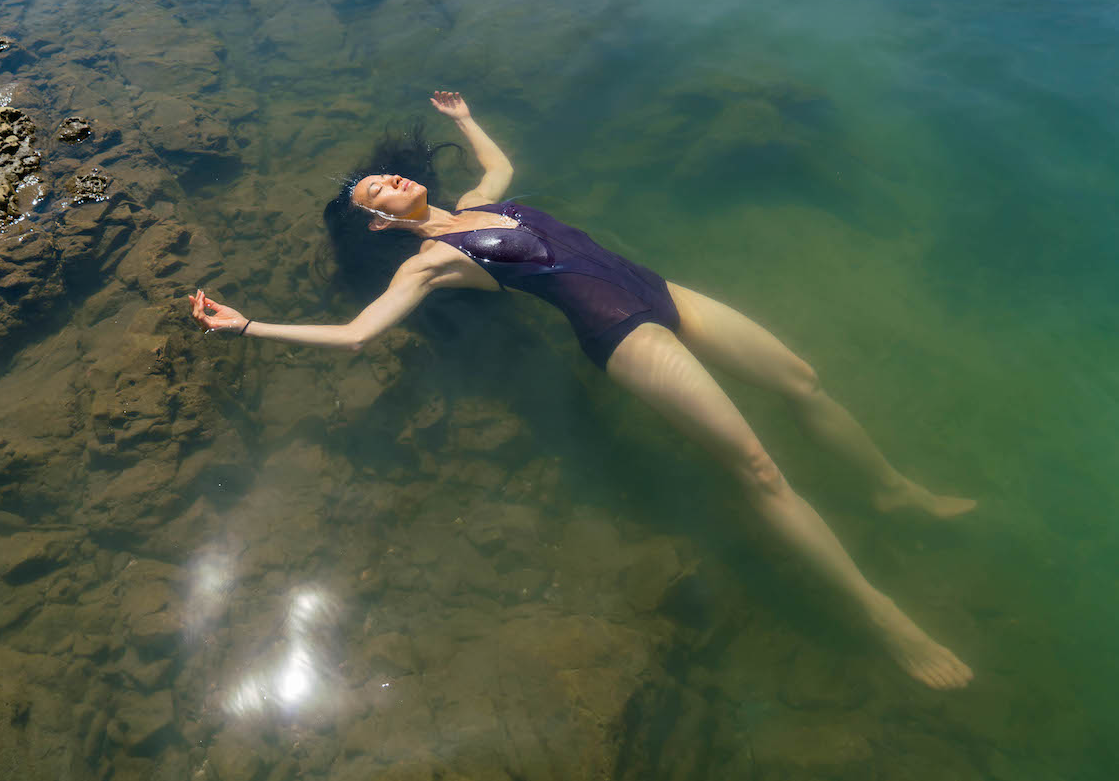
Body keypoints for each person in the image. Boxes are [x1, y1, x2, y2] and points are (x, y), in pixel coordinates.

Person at [188, 91, 975, 690]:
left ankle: (892, 489)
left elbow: (502, 167)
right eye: (376, 193)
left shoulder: (477, 203)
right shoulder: (426, 262)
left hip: (657, 290)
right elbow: (360, 333)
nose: (390, 181)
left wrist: (465, 118)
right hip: (620, 333)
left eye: (387, 175)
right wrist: (250, 325)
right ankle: (883, 619)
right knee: (757, 468)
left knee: (802, 378)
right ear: (379, 224)